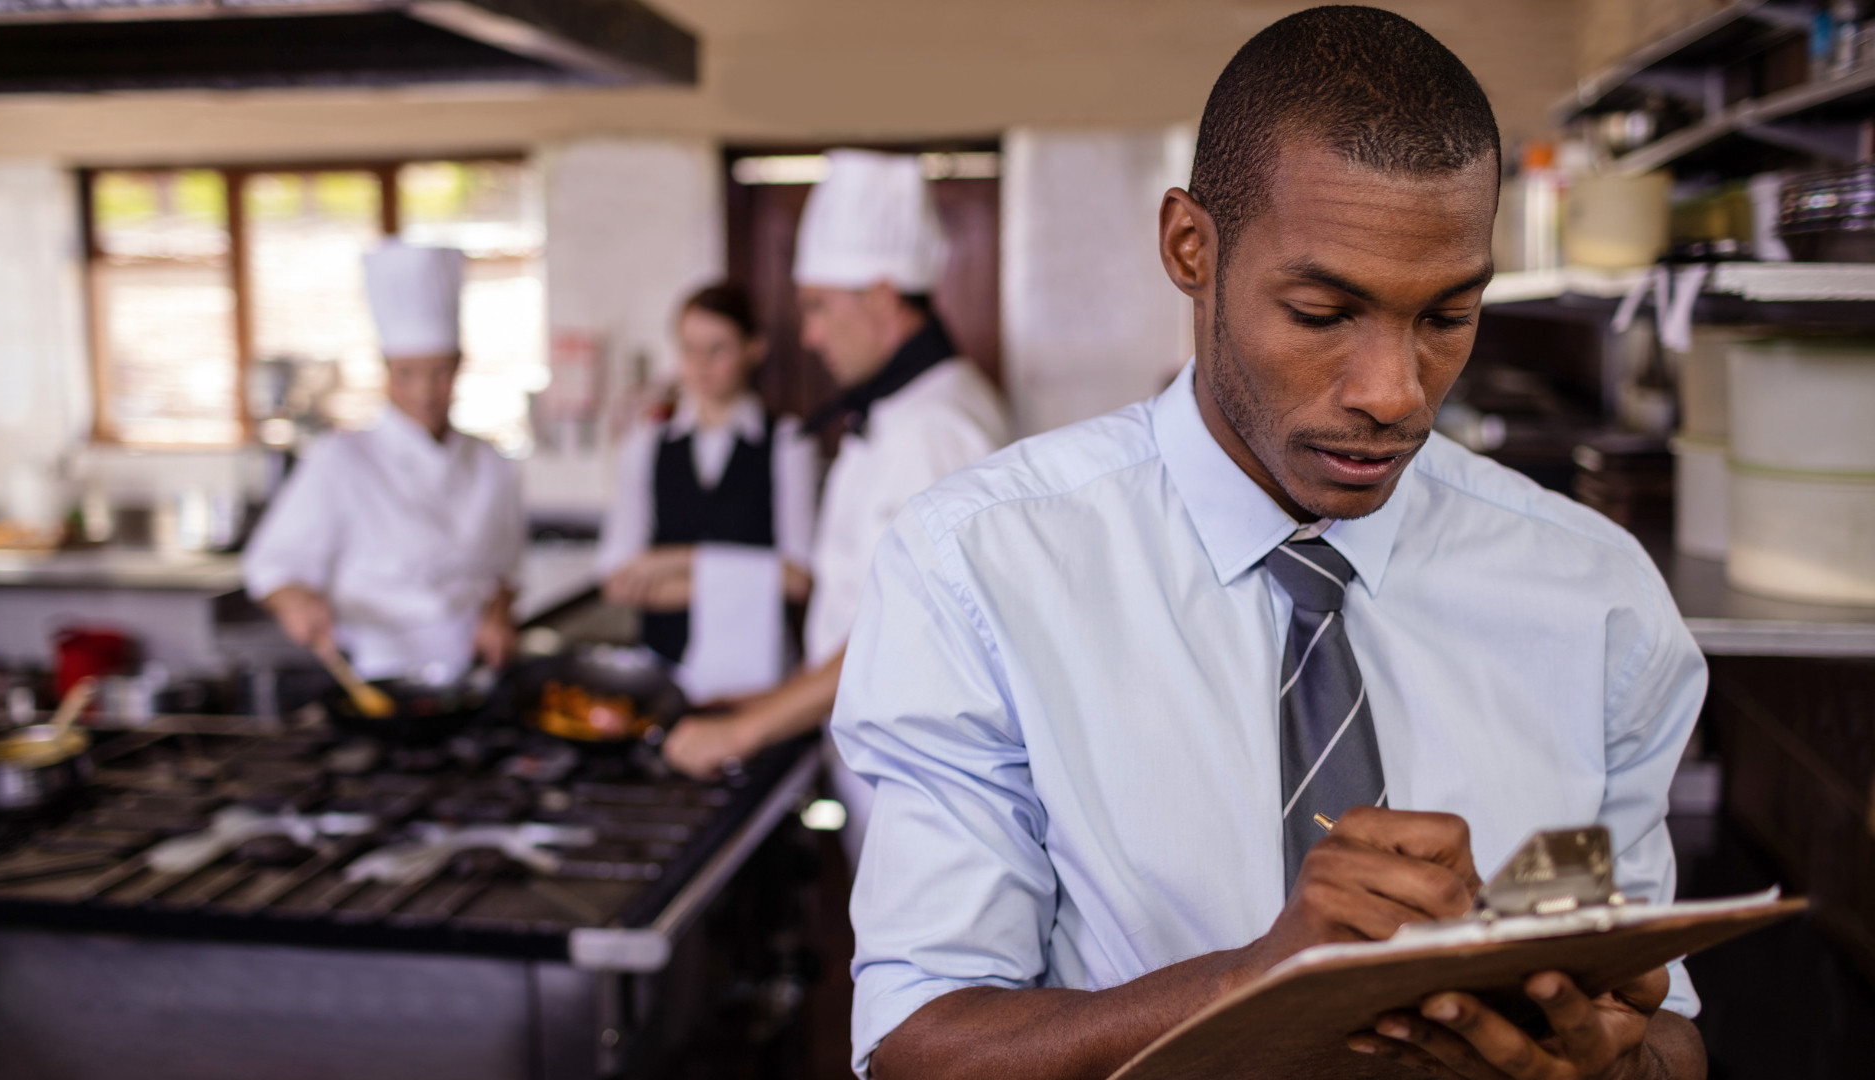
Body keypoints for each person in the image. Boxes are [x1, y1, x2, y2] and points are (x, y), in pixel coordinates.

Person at [834, 9, 1708, 1080]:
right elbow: (917, 1048)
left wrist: (1611, 1064)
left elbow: (1665, 1022)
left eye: (1446, 317)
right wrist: (1258, 985)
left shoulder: (1596, 596)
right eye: (1321, 311)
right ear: (1190, 250)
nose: (1394, 394)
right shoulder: (983, 569)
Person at [661, 151, 1011, 834]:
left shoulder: (939, 426)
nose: (812, 335)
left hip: (931, 796)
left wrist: (747, 729)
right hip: (886, 774)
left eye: (818, 307)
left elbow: (910, 634)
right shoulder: (899, 409)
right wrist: (774, 697)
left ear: (880, 297)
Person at [245, 240, 522, 683]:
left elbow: (504, 570)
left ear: (460, 367)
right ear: (385, 371)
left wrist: (497, 615)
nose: (426, 392)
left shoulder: (489, 461)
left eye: (440, 372)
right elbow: (273, 564)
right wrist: (296, 601)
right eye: (408, 374)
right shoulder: (341, 458)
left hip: (473, 672)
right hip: (373, 674)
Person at [592, 283, 819, 700]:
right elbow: (619, 580)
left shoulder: (789, 443)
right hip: (664, 672)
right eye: (689, 349)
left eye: (717, 350)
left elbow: (799, 577)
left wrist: (674, 562)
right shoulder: (646, 444)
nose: (700, 366)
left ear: (754, 348)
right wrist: (750, 576)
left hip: (760, 681)